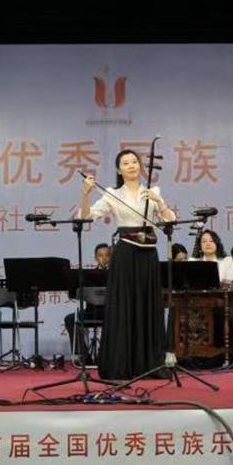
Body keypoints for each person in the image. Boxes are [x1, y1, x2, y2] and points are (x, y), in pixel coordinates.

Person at [80, 149, 176, 380]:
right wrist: (86, 194)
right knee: (124, 306)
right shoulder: (112, 194)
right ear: (119, 169)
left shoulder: (152, 191)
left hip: (148, 255)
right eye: (126, 163)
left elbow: (170, 220)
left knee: (148, 305)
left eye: (135, 162)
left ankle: (150, 363)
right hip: (124, 255)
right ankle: (121, 365)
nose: (132, 165)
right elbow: (86, 216)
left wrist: (159, 202)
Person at [63, 243, 110, 364]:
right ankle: (84, 356)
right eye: (100, 255)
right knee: (70, 319)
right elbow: (74, 293)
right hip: (91, 311)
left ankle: (105, 356)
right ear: (96, 258)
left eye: (107, 255)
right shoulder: (86, 275)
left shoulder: (117, 275)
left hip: (110, 313)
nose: (104, 258)